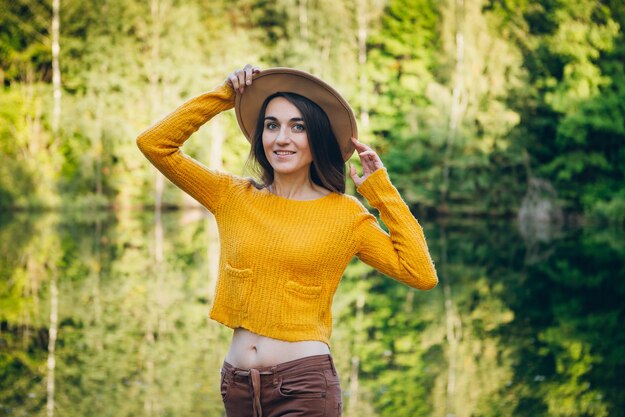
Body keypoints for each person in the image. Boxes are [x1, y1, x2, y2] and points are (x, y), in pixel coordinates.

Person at [136, 64, 438, 417]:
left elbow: (420, 273)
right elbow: (155, 144)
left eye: (299, 127)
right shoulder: (232, 196)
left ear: (319, 138)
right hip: (237, 387)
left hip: (305, 387)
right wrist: (224, 97)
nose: (282, 138)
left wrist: (381, 191)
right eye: (271, 125)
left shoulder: (345, 214)